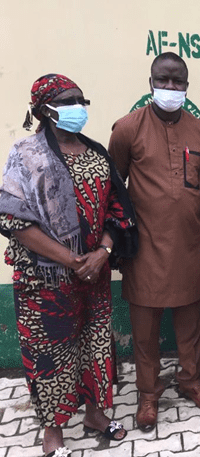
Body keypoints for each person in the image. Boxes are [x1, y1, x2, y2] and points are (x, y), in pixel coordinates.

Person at [0, 74, 137, 457]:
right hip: (44, 280)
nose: (79, 107)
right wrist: (71, 260)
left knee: (96, 347)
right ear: (45, 110)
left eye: (81, 99)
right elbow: (12, 217)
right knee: (51, 355)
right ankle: (53, 432)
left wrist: (102, 253)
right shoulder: (26, 154)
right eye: (69, 100)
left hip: (93, 273)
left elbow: (117, 210)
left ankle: (94, 414)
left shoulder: (96, 154)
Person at [109, 52, 200, 432]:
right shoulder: (127, 129)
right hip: (144, 248)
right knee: (145, 328)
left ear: (187, 86)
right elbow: (114, 187)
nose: (170, 88)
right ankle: (148, 394)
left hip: (188, 245)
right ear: (151, 81)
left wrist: (193, 218)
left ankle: (191, 381)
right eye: (164, 80)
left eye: (178, 82)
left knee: (191, 320)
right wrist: (121, 237)